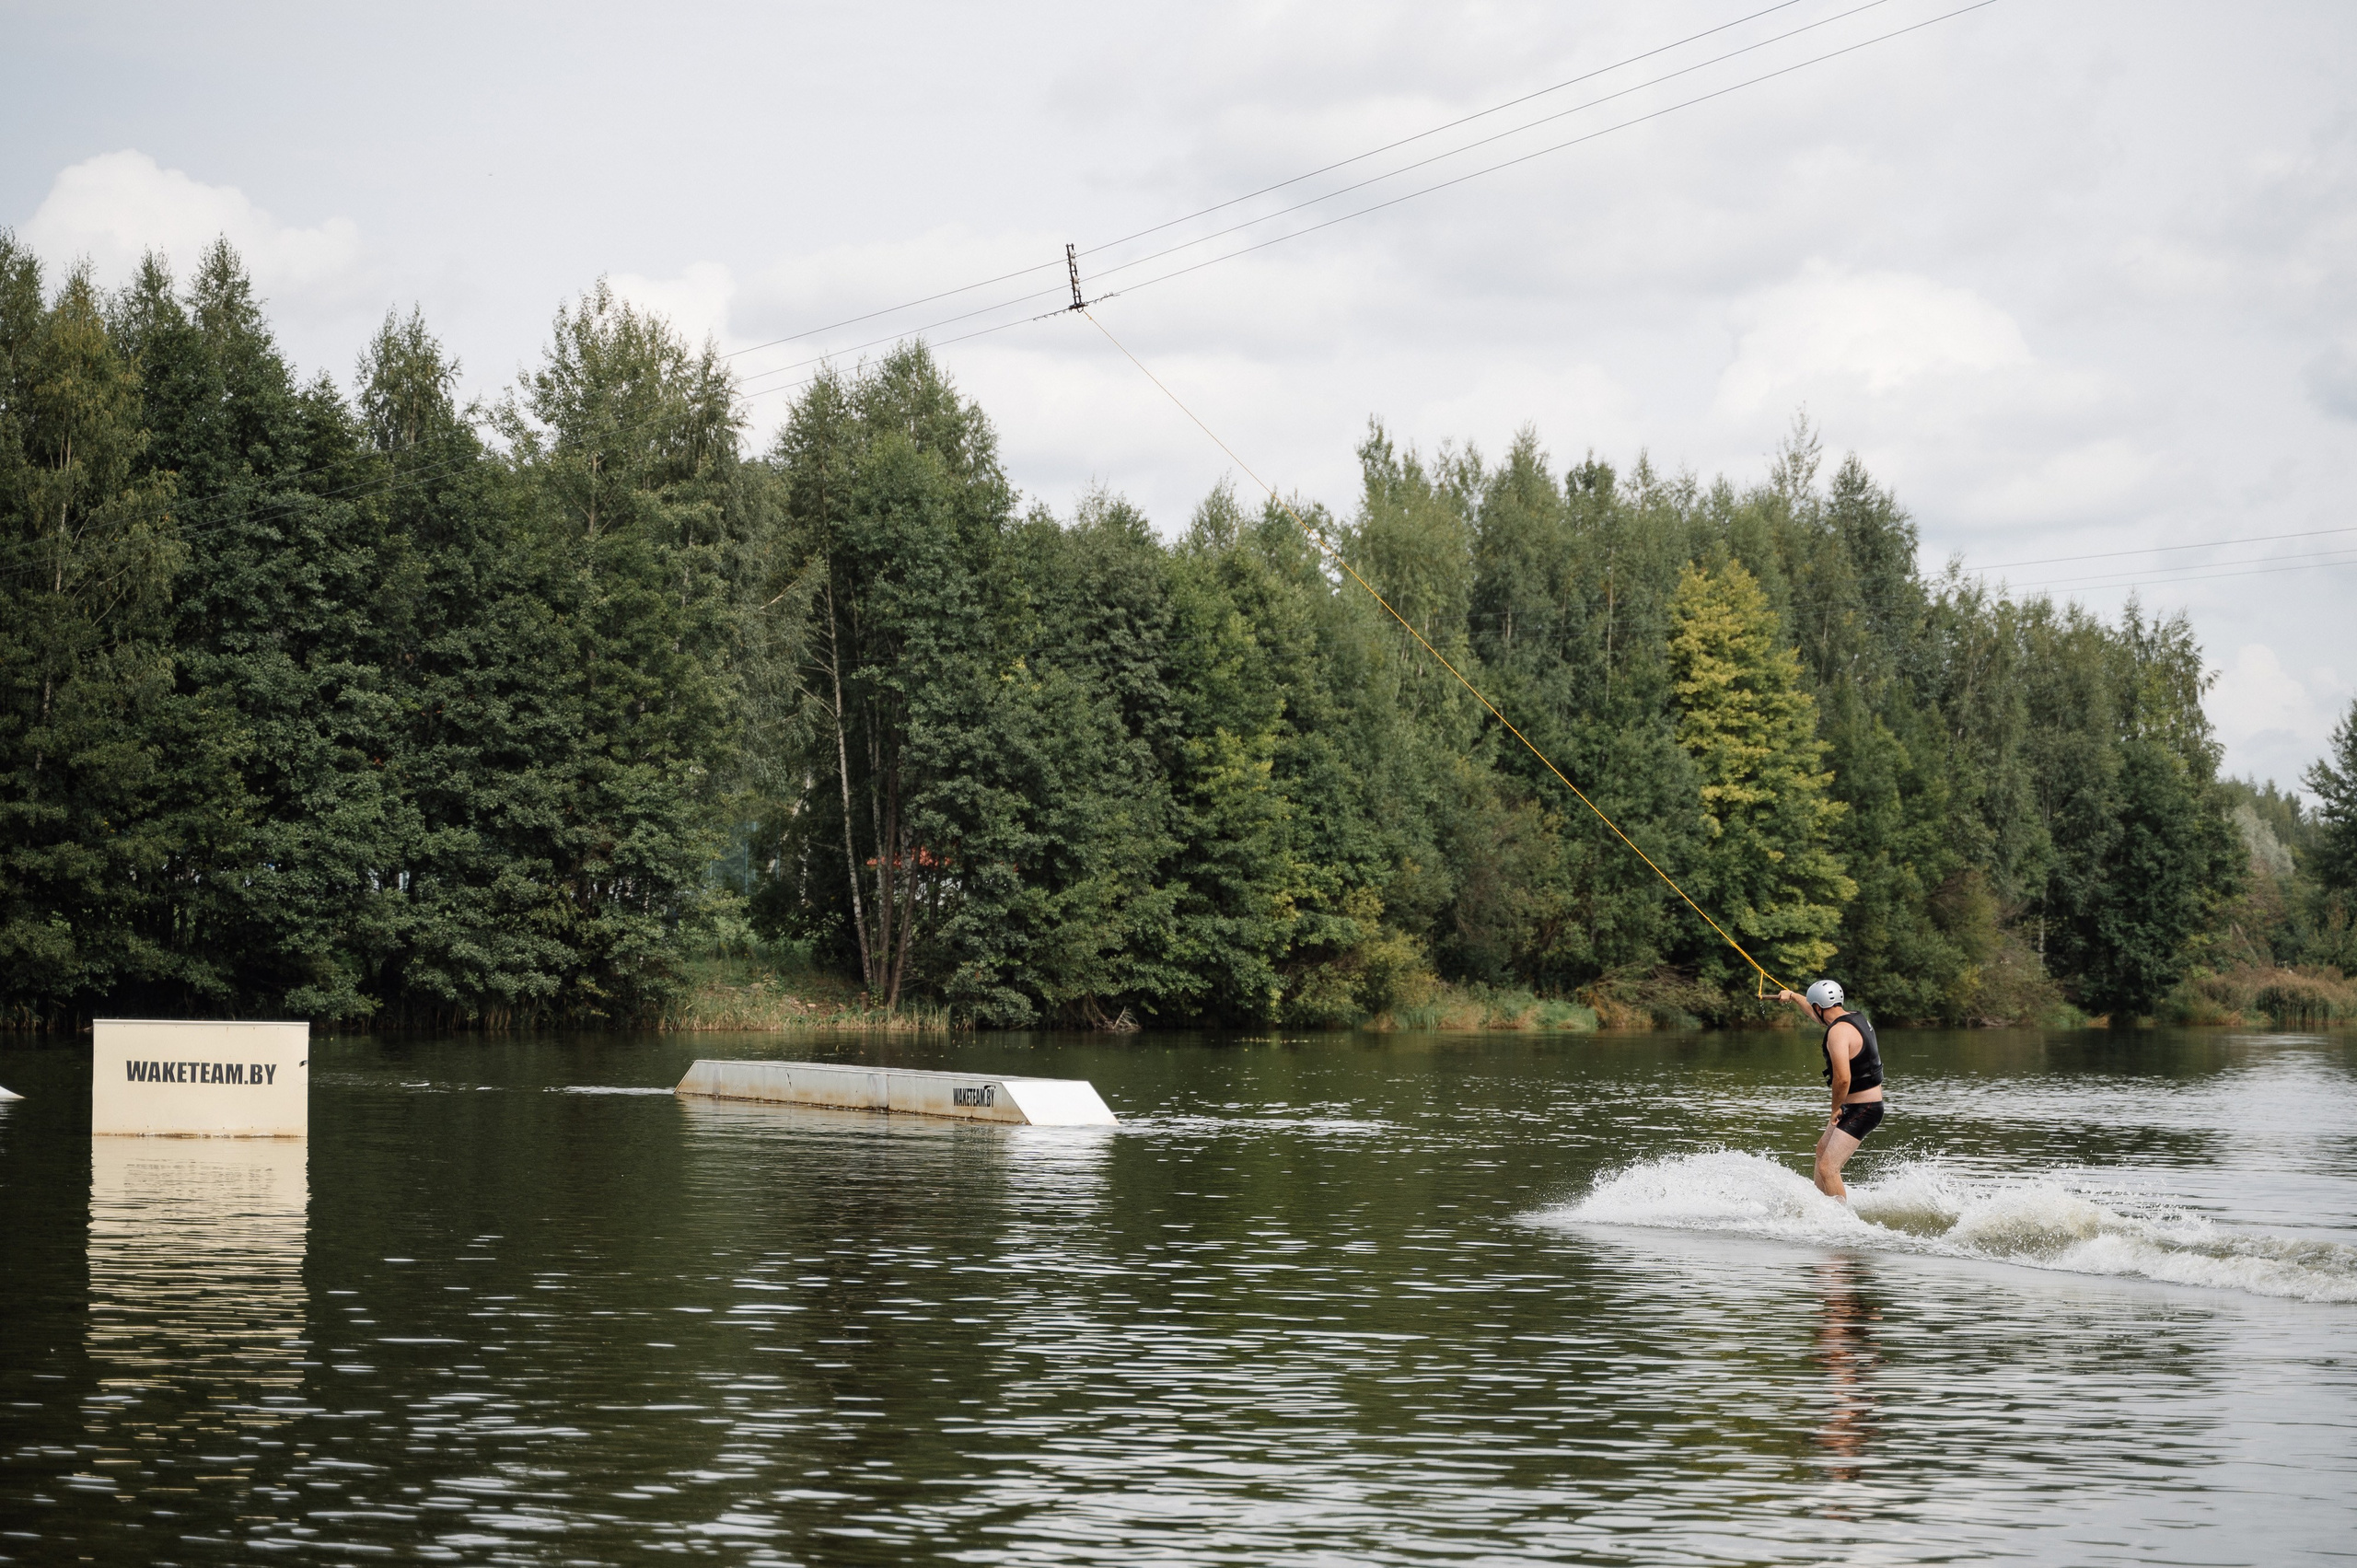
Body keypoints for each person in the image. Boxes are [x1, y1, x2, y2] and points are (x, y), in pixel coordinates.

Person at [1773, 979, 1885, 1199]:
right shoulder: (1854, 1018)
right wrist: (1793, 996)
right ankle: (1820, 1208)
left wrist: (1835, 1109)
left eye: (1814, 1007)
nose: (1814, 1014)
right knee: (1822, 1150)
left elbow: (1842, 1079)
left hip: (1864, 1109)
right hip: (1859, 1105)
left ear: (1819, 1006)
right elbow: (1815, 1013)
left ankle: (1841, 1217)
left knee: (1828, 1168)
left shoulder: (1838, 1032)